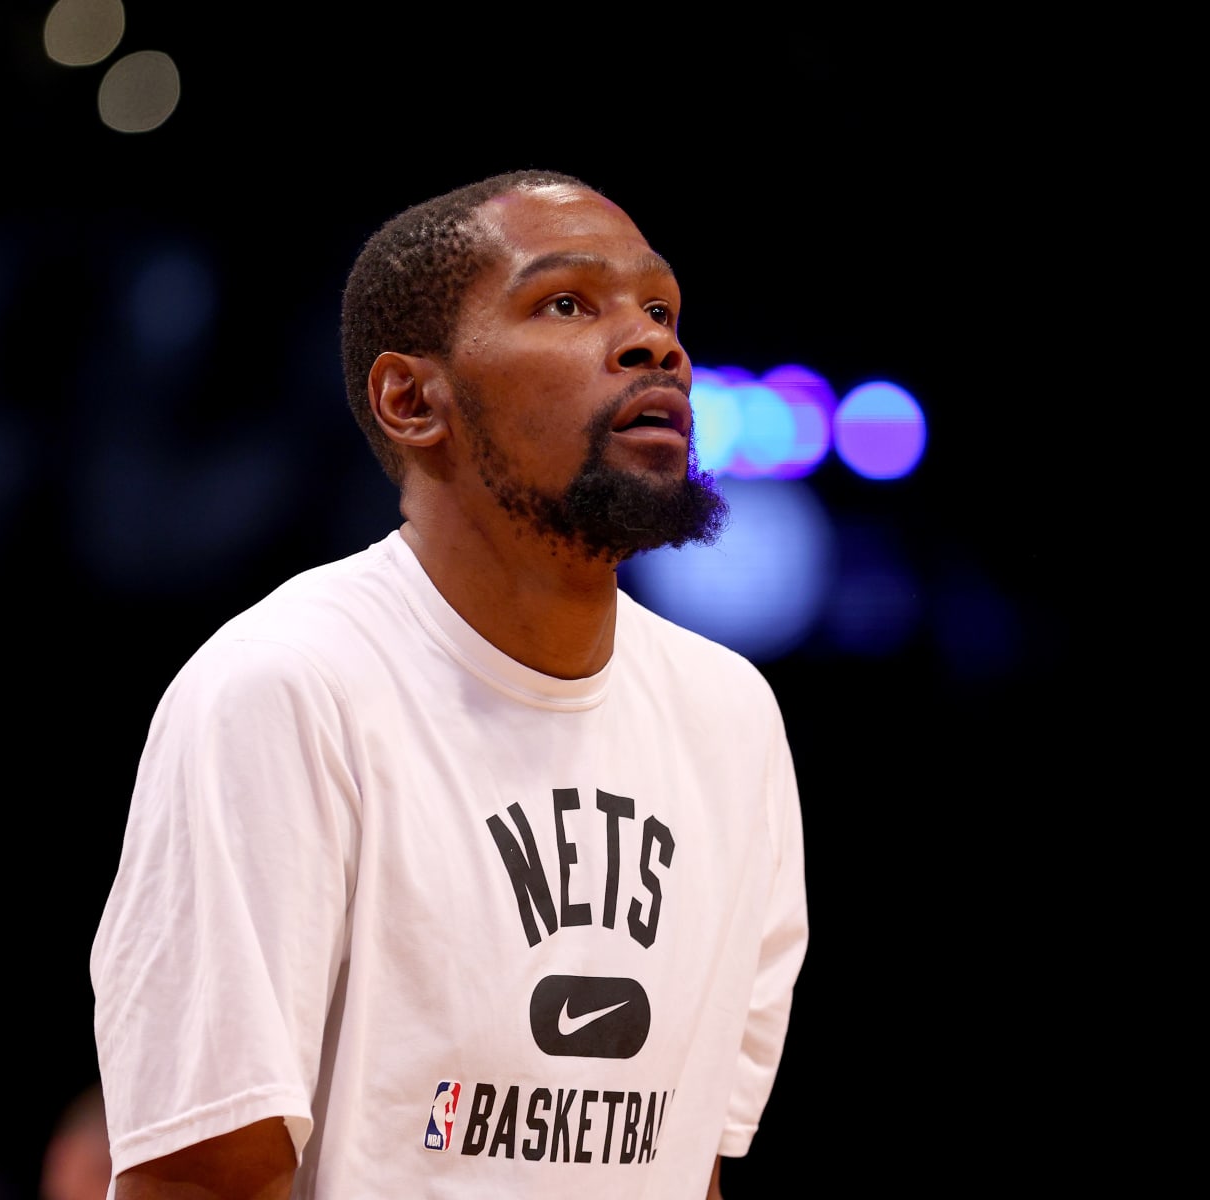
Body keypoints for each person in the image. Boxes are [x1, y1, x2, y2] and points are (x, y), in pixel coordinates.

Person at [89, 168, 809, 1199]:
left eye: (660, 308)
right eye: (567, 303)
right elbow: (198, 1180)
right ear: (412, 399)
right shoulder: (287, 689)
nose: (657, 343)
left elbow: (684, 1162)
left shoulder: (732, 716)